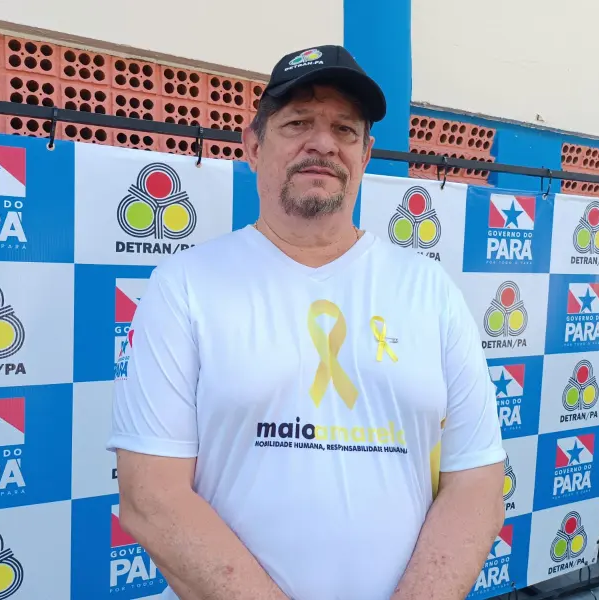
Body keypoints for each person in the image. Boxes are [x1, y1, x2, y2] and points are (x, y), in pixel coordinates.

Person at [107, 44, 507, 600]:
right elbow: (151, 497)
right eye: (298, 123)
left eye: (345, 129)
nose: (323, 143)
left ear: (365, 154)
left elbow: (478, 483)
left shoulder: (430, 290)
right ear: (253, 146)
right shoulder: (185, 285)